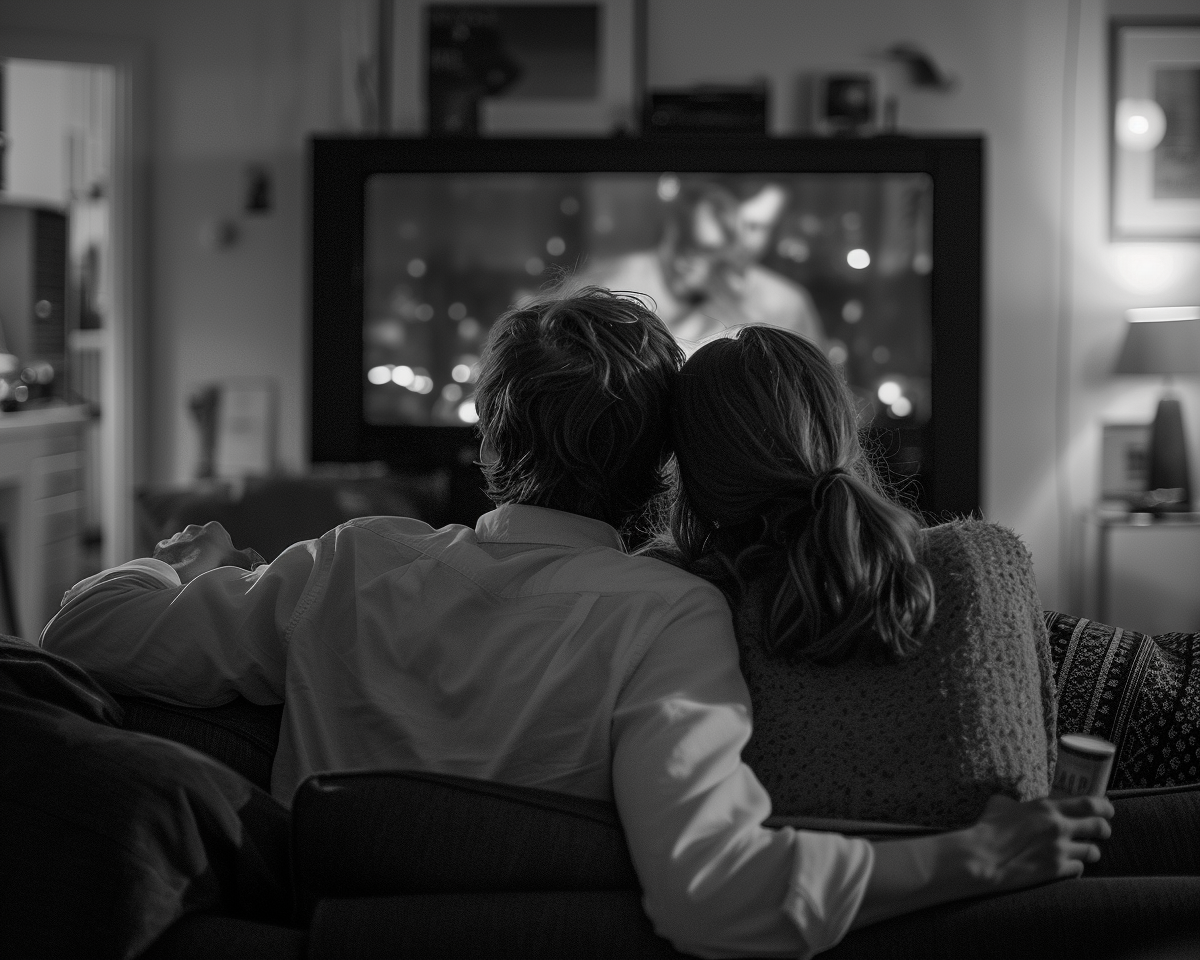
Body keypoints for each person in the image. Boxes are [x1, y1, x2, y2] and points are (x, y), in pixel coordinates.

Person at [44, 285, 1112, 960]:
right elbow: (717, 898)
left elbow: (80, 637)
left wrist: (173, 563)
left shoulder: (350, 563)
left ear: (491, 436)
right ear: (660, 463)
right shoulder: (675, 617)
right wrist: (978, 859)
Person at [582, 179, 825, 353]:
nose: (743, 242)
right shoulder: (605, 288)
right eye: (734, 225)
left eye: (758, 227)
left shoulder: (786, 305)